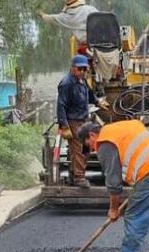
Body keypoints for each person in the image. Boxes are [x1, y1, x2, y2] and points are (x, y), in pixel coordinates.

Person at [77, 120, 149, 252]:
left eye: (89, 145)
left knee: (135, 217)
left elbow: (113, 180)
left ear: (92, 135)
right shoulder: (125, 126)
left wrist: (113, 209)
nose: (93, 150)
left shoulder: (105, 141)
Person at [57, 54, 109, 188]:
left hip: (84, 118)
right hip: (73, 120)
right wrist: (64, 126)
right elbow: (61, 105)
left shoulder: (82, 80)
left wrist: (98, 102)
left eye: (84, 69)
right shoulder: (66, 83)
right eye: (79, 69)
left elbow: (89, 94)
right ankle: (78, 177)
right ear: (72, 68)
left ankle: (74, 174)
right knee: (78, 149)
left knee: (86, 148)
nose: (82, 72)